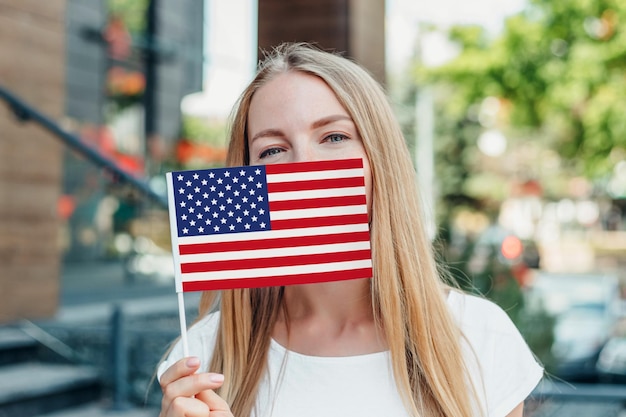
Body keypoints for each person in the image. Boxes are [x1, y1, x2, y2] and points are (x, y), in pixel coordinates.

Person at [157, 42, 543, 417]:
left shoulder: (480, 337)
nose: (303, 165)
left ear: (380, 161)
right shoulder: (202, 360)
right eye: (272, 150)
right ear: (245, 180)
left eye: (334, 137)